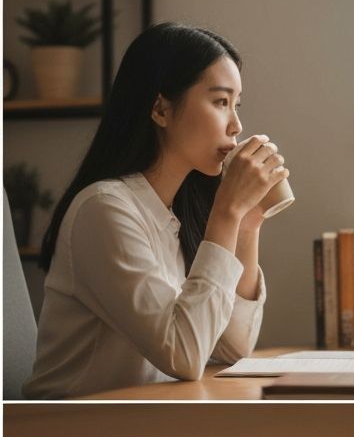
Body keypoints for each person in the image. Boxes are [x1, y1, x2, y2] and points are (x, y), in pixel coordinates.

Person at [25, 22, 289, 398]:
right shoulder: (104, 210)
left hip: (139, 422)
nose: (237, 125)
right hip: (70, 430)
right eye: (220, 102)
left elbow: (233, 347)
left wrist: (247, 225)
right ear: (161, 109)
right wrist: (226, 212)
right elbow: (183, 354)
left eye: (237, 104)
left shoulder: (174, 212)